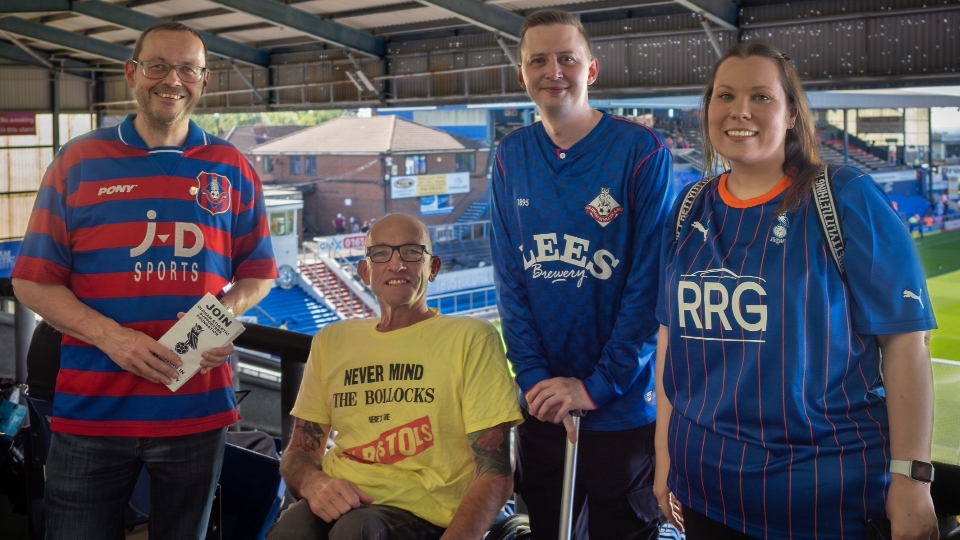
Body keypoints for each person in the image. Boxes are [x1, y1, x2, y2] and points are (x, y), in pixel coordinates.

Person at [654, 41, 938, 540]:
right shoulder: (688, 208)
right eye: (725, 96)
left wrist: (912, 480)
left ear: (790, 115)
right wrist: (664, 459)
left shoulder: (845, 197)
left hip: (823, 500)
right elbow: (668, 342)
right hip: (703, 489)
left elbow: (905, 343)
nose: (739, 110)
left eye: (761, 97)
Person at [10, 21, 277, 539]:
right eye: (157, 65)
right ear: (133, 73)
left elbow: (259, 272)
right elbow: (32, 283)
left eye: (187, 69)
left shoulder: (231, 167)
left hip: (196, 411)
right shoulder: (78, 162)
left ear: (203, 81)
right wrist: (116, 340)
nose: (171, 80)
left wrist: (218, 319)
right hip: (92, 414)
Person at [490, 10, 673, 539]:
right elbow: (511, 282)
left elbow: (649, 285)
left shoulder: (641, 151)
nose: (554, 71)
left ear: (591, 69)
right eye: (538, 60)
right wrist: (532, 380)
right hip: (543, 411)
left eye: (566, 58)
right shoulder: (510, 156)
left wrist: (597, 385)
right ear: (522, 74)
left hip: (621, 412)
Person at [267, 213, 522, 540]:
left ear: (433, 267)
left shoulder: (472, 338)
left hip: (427, 515)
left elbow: (495, 475)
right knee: (290, 530)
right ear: (365, 271)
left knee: (356, 530)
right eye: (381, 253)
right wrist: (314, 484)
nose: (397, 264)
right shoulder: (332, 341)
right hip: (342, 496)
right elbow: (299, 453)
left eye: (411, 253)